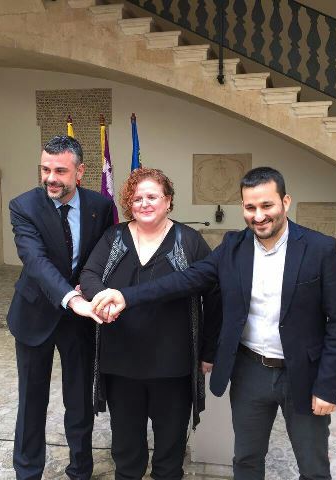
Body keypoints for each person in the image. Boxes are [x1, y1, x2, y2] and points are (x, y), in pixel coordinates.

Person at [92, 167, 336, 480]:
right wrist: (126, 296)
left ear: (285, 202)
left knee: (312, 467)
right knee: (246, 460)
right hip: (250, 371)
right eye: (250, 207)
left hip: (304, 373)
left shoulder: (320, 249)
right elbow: (185, 280)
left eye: (267, 205)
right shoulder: (233, 247)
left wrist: (328, 386)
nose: (259, 216)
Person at [79, 167, 222, 480]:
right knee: (126, 450)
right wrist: (101, 297)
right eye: (137, 198)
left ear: (168, 201)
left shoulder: (189, 241)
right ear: (129, 203)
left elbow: (214, 293)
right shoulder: (114, 237)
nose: (144, 203)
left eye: (152, 197)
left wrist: (209, 350)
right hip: (120, 363)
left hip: (172, 365)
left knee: (170, 451)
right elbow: (89, 274)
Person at [7, 135, 114, 480]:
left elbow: (101, 256)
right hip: (35, 312)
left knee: (80, 400)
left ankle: (80, 469)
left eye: (60, 171)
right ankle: (27, 472)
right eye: (45, 169)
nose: (50, 178)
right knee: (32, 400)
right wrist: (73, 298)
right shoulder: (23, 206)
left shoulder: (100, 206)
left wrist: (91, 287)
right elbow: (35, 261)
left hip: (80, 321)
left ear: (80, 172)